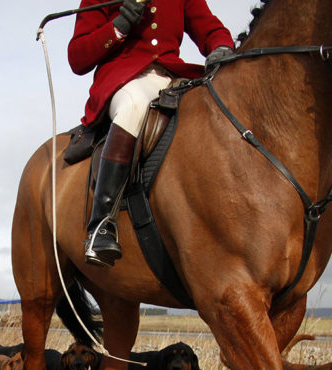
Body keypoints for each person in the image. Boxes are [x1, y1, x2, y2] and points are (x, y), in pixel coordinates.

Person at [68, 0, 234, 267]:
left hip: (174, 78)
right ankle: (101, 225)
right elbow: (77, 57)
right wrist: (118, 28)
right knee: (134, 105)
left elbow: (209, 27)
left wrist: (221, 46)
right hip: (125, 79)